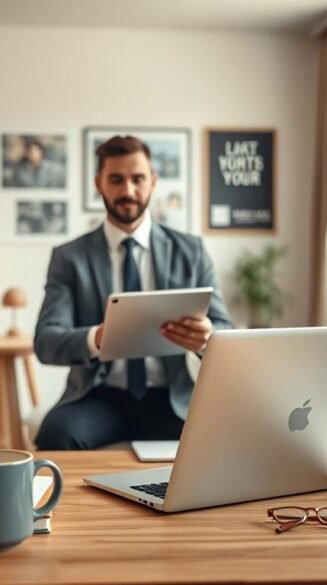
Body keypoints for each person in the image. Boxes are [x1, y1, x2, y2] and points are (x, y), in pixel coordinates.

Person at [34, 135, 233, 450]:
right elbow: (46, 341)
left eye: (137, 179)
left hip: (171, 399)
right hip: (99, 398)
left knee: (227, 436)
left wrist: (207, 337)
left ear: (152, 182)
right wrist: (96, 338)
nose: (127, 190)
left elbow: (227, 332)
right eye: (116, 179)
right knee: (55, 434)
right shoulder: (69, 257)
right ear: (99, 183)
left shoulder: (190, 251)